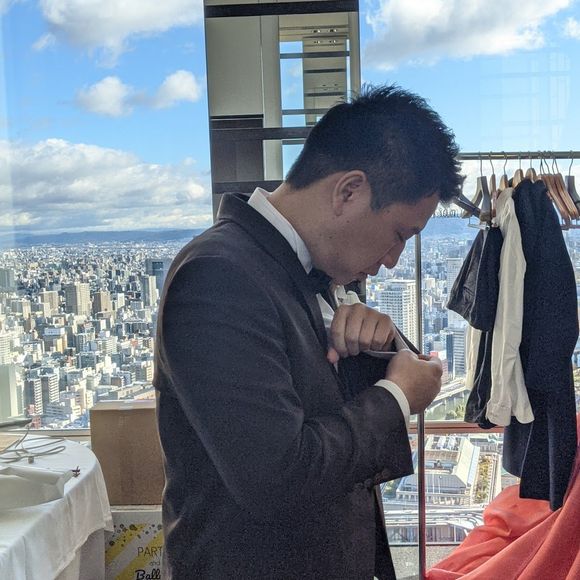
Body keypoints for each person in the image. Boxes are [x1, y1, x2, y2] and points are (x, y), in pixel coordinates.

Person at [154, 84, 464, 579]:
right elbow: (276, 476)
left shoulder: (296, 271)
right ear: (349, 191)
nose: (392, 260)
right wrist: (396, 397)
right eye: (400, 234)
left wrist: (383, 345)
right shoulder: (218, 275)